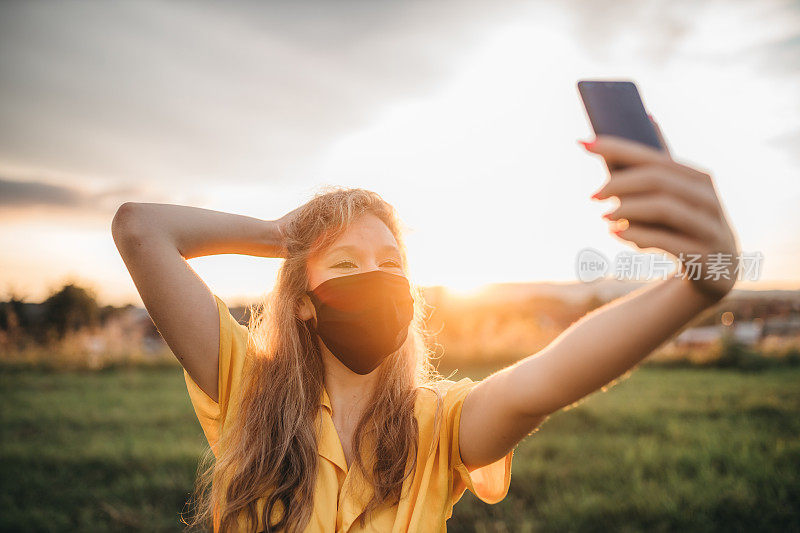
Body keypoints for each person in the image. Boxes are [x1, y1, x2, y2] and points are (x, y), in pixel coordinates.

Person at [110, 124, 739, 533]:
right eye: (346, 264)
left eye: (391, 264)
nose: (375, 277)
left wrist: (698, 285)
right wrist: (280, 236)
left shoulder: (439, 428)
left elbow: (542, 383)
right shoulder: (246, 386)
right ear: (304, 302)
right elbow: (141, 229)